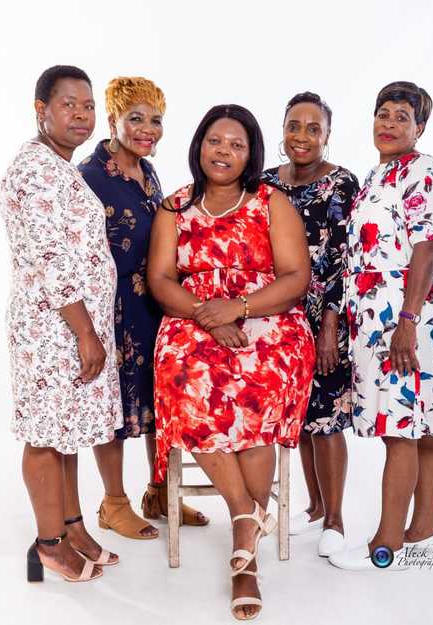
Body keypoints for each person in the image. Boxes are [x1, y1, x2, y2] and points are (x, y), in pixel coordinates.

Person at [148, 104, 315, 620]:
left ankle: (245, 555)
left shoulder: (271, 202)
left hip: (266, 314)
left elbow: (296, 277)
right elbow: (161, 280)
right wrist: (208, 315)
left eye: (236, 145)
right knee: (187, 378)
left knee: (258, 381)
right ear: (199, 145)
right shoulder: (175, 206)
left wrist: (239, 308)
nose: (224, 151)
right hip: (192, 316)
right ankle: (247, 517)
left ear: (251, 154)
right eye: (215, 141)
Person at [0, 65, 122, 582]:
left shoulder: (59, 166)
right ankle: (49, 544)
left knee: (65, 431)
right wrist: (86, 332)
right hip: (52, 328)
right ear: (41, 109)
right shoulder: (34, 170)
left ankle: (72, 527)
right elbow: (50, 259)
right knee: (45, 436)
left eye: (88, 106)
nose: (81, 115)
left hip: (70, 327)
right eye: (68, 104)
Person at [329, 81, 433, 571]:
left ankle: (387, 543)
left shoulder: (424, 171)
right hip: (380, 319)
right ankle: (424, 525)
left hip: (408, 317)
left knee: (400, 426)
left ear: (420, 128)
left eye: (402, 117)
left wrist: (407, 320)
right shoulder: (378, 174)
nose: (389, 123)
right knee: (421, 419)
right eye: (383, 113)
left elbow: (428, 245)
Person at [79, 77, 208, 541]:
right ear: (113, 119)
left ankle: (159, 491)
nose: (148, 129)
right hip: (109, 309)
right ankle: (113, 503)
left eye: (156, 120)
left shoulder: (148, 172)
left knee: (159, 400)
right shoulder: (90, 177)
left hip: (151, 306)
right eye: (136, 118)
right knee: (111, 406)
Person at [262, 92, 359, 558]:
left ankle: (335, 517)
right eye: (294, 126)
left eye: (313, 128)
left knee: (327, 418)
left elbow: (344, 258)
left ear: (327, 135)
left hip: (324, 315)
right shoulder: (265, 182)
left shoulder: (341, 184)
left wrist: (329, 327)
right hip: (279, 312)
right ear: (282, 129)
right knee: (300, 417)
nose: (302, 136)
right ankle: (315, 507)